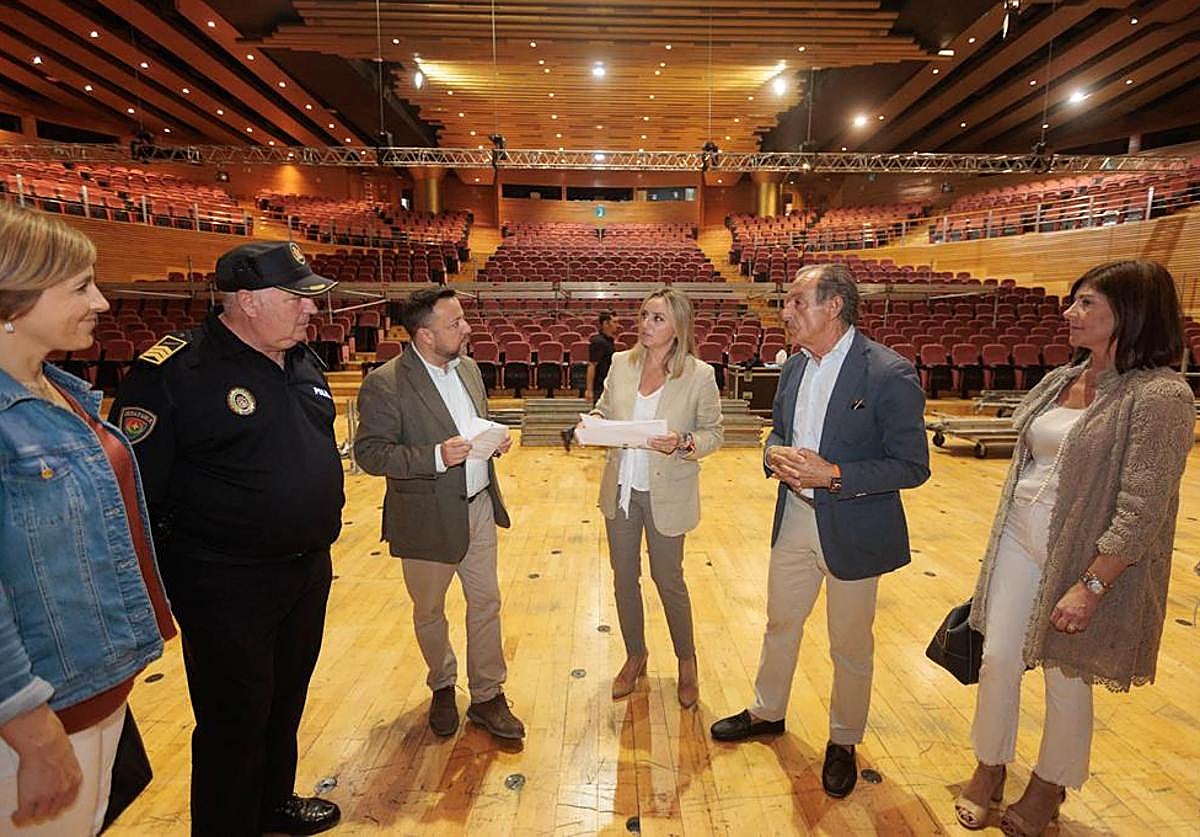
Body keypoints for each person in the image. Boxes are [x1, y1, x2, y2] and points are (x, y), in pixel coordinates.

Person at [109, 240, 344, 836]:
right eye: (295, 298)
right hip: (224, 580)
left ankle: (271, 803)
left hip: (305, 569)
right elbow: (138, 490)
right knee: (233, 716)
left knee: (284, 701)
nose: (309, 309)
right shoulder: (175, 372)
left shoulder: (301, 360)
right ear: (244, 300)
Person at [954, 260, 1194, 836]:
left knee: (1067, 673)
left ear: (1130, 316)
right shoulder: (1061, 379)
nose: (1070, 312)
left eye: (1087, 303)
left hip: (1086, 559)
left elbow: (1144, 507)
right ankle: (989, 766)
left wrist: (1091, 585)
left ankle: (1048, 787)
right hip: (1018, 538)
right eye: (1073, 301)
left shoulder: (1160, 396)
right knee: (998, 658)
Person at [710, 263, 930, 799]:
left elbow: (913, 465)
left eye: (796, 301)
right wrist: (773, 453)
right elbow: (779, 433)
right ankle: (768, 711)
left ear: (834, 307)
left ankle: (843, 739)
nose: (786, 311)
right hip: (794, 517)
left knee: (849, 644)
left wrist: (833, 474)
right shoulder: (793, 368)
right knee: (780, 622)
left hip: (852, 525)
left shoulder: (887, 373)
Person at [0, 205, 174, 834]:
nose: (101, 302)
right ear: (13, 298)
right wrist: (26, 722)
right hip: (37, 712)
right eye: (79, 287)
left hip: (93, 684)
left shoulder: (62, 390)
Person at [354, 287, 524, 741]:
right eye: (455, 323)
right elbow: (369, 454)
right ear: (425, 335)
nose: (467, 328)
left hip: (479, 505)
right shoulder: (385, 382)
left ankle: (488, 695)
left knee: (486, 603)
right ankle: (443, 683)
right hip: (426, 517)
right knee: (430, 611)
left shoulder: (469, 369)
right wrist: (434, 456)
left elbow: (473, 432)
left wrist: (493, 443)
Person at [587, 289, 723, 707]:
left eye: (658, 318)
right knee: (623, 578)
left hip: (668, 494)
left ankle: (687, 660)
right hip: (623, 490)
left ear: (679, 325)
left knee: (669, 580)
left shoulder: (699, 375)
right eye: (644, 315)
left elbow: (713, 434)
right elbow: (605, 410)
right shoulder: (620, 364)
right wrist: (593, 422)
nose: (646, 324)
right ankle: (635, 655)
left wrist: (682, 442)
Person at [586, 310, 618, 403]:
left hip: (608, 385)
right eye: (614, 322)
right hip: (600, 388)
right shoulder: (598, 342)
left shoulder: (609, 341)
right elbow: (592, 365)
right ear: (605, 323)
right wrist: (589, 390)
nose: (617, 325)